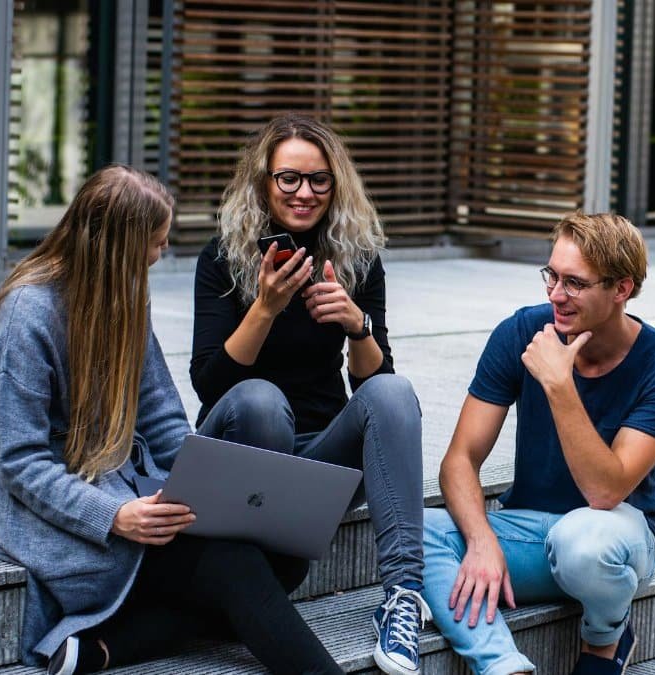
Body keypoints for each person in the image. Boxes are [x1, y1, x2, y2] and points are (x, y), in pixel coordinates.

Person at [0, 165, 345, 675]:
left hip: (133, 492)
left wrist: (204, 490)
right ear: (119, 246)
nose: (162, 252)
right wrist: (113, 516)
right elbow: (20, 463)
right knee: (233, 567)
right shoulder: (25, 317)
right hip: (59, 517)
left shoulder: (124, 296)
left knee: (285, 559)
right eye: (157, 241)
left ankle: (109, 647)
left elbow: (164, 419)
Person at [190, 113, 427, 675]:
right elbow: (210, 384)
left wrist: (356, 325)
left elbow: (374, 386)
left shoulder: (356, 257)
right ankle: (254, 578)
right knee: (261, 401)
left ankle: (402, 599)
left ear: (336, 183)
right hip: (242, 450)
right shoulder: (223, 257)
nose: (304, 193)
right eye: (288, 178)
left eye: (319, 179)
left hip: (318, 462)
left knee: (395, 393)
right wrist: (266, 307)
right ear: (264, 181)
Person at [421, 212, 655, 675]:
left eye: (574, 283)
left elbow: (605, 493)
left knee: (584, 541)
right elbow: (459, 460)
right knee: (417, 531)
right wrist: (482, 539)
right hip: (530, 530)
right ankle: (504, 665)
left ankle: (603, 642)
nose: (554, 294)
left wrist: (559, 385)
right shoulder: (520, 332)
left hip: (618, 537)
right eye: (551, 275)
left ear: (621, 289)